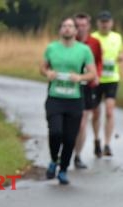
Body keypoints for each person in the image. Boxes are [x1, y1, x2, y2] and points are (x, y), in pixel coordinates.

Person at [40, 17, 96, 185]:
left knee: (70, 138)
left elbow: (92, 73)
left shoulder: (84, 50)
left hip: (74, 99)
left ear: (76, 31)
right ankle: (53, 160)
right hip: (55, 97)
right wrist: (47, 73)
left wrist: (79, 77)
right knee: (56, 132)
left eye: (70, 26)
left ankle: (63, 170)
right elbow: (42, 68)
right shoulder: (51, 48)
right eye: (64, 26)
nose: (67, 29)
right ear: (60, 30)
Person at [91, 10, 123, 157]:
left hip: (112, 78)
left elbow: (120, 53)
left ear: (111, 23)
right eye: (102, 22)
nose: (104, 24)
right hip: (96, 79)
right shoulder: (92, 38)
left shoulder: (117, 37)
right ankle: (97, 140)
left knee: (109, 111)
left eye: (107, 22)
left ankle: (107, 144)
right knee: (96, 113)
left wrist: (120, 57)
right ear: (98, 23)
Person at [73, 12, 102, 169]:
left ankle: (77, 156)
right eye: (78, 26)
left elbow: (98, 62)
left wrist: (96, 75)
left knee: (83, 122)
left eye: (84, 25)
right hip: (71, 86)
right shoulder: (70, 42)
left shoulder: (95, 43)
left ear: (89, 26)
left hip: (88, 86)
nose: (81, 28)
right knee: (70, 121)